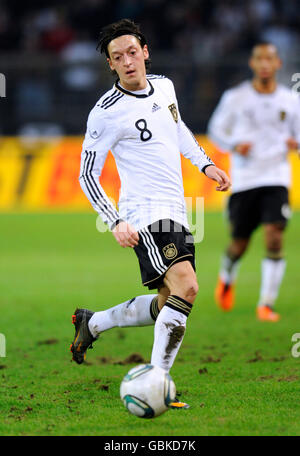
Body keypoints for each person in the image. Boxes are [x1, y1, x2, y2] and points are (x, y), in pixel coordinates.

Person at [70, 19, 231, 408]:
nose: (126, 61)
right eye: (117, 57)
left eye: (131, 52)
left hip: (176, 208)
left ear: (145, 51)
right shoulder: (105, 113)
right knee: (187, 287)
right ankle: (158, 380)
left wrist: (205, 164)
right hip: (143, 214)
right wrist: (116, 220)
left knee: (167, 299)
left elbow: (178, 130)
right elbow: (87, 174)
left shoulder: (164, 87)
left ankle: (93, 323)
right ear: (110, 64)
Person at [208, 42, 300, 322]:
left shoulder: (290, 99)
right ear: (252, 64)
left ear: (278, 64)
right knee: (239, 245)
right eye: (259, 59)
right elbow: (215, 131)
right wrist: (235, 145)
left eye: (269, 59)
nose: (264, 64)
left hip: (276, 178)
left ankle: (266, 304)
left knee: (274, 236)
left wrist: (294, 143)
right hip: (246, 179)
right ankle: (227, 277)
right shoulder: (235, 97)